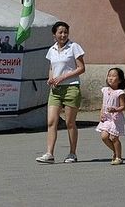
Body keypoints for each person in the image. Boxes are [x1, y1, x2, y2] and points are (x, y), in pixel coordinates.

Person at [36, 21, 85, 164]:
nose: (63, 35)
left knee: (70, 123)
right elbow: (52, 67)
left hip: (71, 88)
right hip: (56, 90)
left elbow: (81, 68)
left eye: (65, 32)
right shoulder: (51, 49)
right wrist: (50, 78)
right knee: (51, 121)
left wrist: (64, 76)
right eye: (60, 32)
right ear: (54, 35)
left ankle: (72, 153)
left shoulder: (74, 47)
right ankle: (49, 153)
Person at [96, 67, 125, 165]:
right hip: (106, 118)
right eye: (109, 76)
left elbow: (123, 106)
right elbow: (103, 104)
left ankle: (118, 157)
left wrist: (115, 109)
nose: (110, 78)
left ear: (120, 80)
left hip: (115, 118)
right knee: (104, 137)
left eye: (114, 76)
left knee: (114, 138)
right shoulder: (105, 90)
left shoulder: (120, 93)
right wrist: (101, 113)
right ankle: (115, 151)